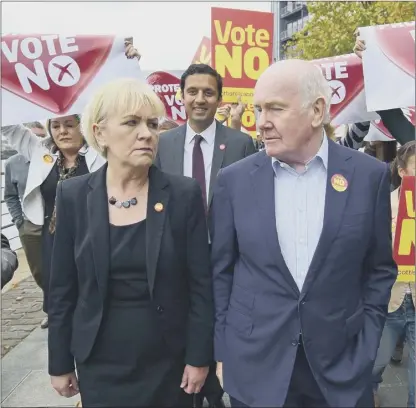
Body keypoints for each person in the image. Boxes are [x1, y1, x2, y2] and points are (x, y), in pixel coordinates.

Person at [210, 59, 397, 407]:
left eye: (275, 109)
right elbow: (221, 271)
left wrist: (367, 344)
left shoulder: (369, 177)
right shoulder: (234, 181)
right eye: (258, 109)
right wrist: (224, 351)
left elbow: (379, 270)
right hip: (255, 369)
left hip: (340, 370)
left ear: (317, 111)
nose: (261, 122)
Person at [48, 78, 214, 407]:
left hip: (169, 362)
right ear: (99, 133)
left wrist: (199, 356)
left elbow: (201, 286)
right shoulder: (73, 195)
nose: (147, 133)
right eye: (131, 122)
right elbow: (62, 290)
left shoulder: (183, 194)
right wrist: (60, 362)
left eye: (152, 124)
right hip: (99, 362)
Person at [1, 41, 140, 327]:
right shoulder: (41, 153)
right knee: (62, 300)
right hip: (55, 239)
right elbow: (8, 125)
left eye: (69, 124)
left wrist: (129, 67)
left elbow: (134, 119)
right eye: (56, 125)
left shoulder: (102, 153)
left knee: (99, 297)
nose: (62, 131)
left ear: (85, 126)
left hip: (99, 235)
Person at [154, 63, 256, 408]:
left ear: (219, 99)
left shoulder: (242, 144)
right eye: (193, 91)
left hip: (226, 262)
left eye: (208, 92)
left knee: (219, 331)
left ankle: (215, 388)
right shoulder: (160, 145)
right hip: (176, 264)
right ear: (181, 97)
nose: (200, 99)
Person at [372, 141, 415, 408]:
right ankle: (370, 387)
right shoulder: (384, 205)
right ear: (402, 171)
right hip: (390, 303)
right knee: (375, 361)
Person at [4, 122, 47, 326]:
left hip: (57, 222)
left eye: (39, 136)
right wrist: (19, 222)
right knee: (39, 270)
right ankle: (50, 306)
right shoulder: (12, 163)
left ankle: (61, 307)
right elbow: (10, 196)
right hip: (30, 226)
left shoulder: (51, 160)